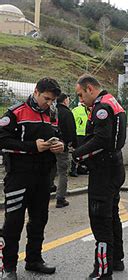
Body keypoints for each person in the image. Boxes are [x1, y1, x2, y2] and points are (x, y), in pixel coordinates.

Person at [0, 77, 64, 279]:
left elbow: (59, 134)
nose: (49, 103)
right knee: (13, 223)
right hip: (19, 177)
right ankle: (9, 266)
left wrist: (59, 145)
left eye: (52, 100)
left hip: (43, 178)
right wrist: (31, 147)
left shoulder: (52, 113)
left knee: (39, 221)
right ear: (36, 92)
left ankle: (34, 260)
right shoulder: (15, 112)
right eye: (46, 98)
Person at [72, 75, 127, 279]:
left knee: (100, 220)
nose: (80, 100)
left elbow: (102, 139)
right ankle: (117, 259)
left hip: (104, 170)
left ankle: (103, 271)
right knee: (112, 215)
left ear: (89, 89)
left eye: (80, 95)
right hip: (115, 166)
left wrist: (77, 155)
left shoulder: (101, 107)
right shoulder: (112, 101)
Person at [52, 93, 77, 208]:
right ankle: (60, 198)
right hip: (62, 146)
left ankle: (48, 188)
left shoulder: (51, 111)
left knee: (49, 169)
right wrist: (73, 144)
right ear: (65, 100)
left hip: (49, 145)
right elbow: (72, 131)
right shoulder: (67, 113)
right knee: (63, 173)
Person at [70, 101, 89, 177]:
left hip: (81, 133)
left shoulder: (75, 110)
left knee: (80, 152)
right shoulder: (85, 110)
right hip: (81, 134)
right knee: (79, 152)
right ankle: (75, 169)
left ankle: (77, 169)